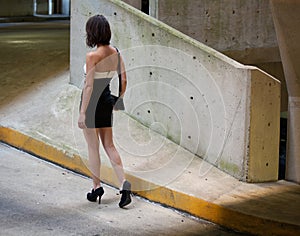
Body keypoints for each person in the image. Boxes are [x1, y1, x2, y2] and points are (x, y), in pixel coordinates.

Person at [78, 14, 131, 208]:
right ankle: (124, 185)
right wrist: (119, 100)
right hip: (108, 99)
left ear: (92, 32)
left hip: (91, 103)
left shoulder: (92, 56)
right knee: (110, 145)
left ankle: (96, 187)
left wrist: (83, 112)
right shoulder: (115, 52)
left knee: (93, 147)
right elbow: (124, 79)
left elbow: (89, 86)